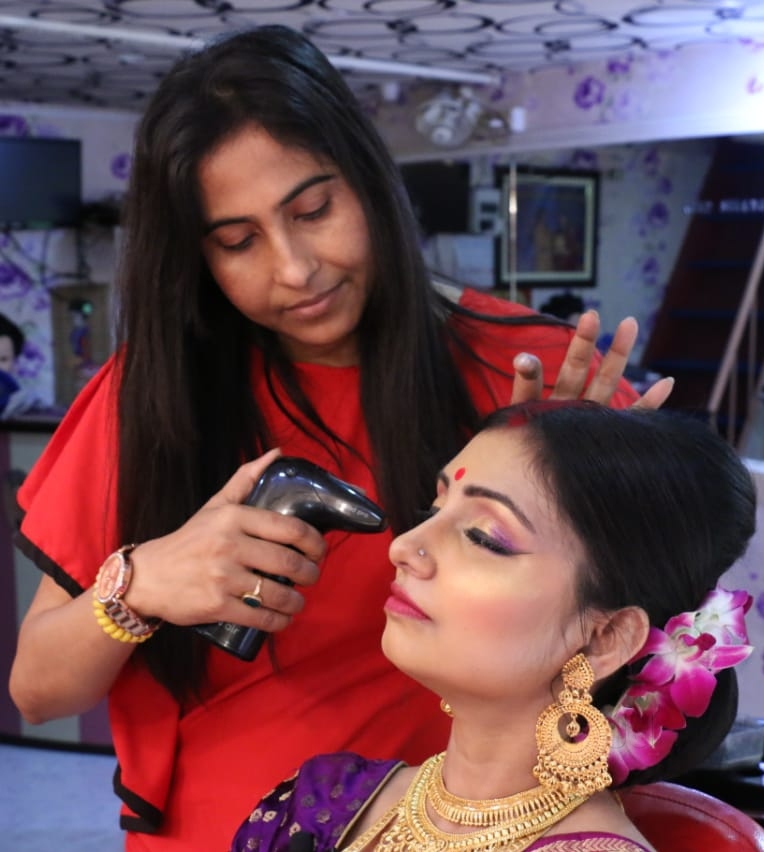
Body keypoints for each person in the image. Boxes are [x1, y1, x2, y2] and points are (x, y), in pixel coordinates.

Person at [8, 25, 673, 852]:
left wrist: (601, 498)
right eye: (238, 241)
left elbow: (658, 656)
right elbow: (38, 689)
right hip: (218, 828)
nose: (295, 268)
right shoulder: (152, 396)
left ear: (368, 183)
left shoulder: (529, 372)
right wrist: (142, 584)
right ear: (197, 259)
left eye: (314, 210)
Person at [230, 400, 756, 852]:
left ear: (605, 638)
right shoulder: (321, 804)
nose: (404, 547)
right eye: (432, 510)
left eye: (484, 537)